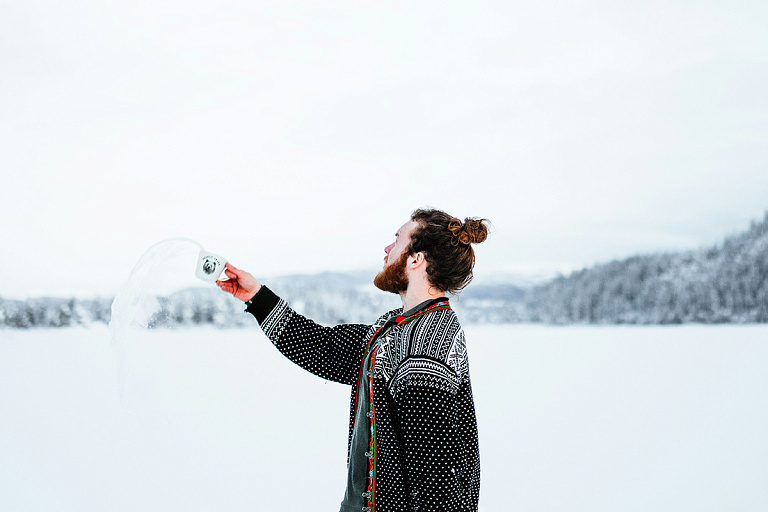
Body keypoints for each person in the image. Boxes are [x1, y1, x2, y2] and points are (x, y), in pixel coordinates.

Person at [217, 208, 488, 512]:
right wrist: (257, 296)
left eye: (396, 240)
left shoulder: (426, 341)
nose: (387, 249)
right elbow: (324, 349)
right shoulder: (396, 328)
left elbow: (435, 482)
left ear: (416, 258)